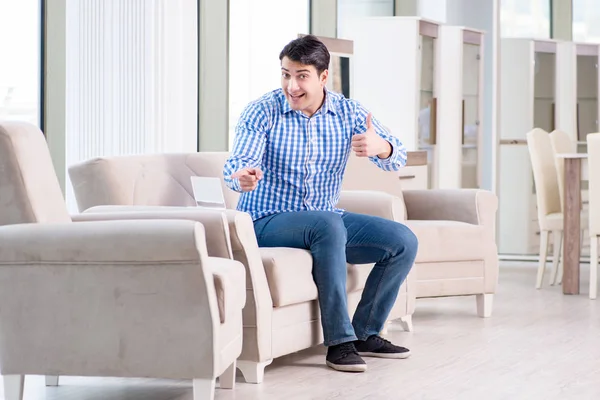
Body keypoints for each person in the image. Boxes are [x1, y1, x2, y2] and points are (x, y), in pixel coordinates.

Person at [223, 34, 418, 373]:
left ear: (323, 76)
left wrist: (381, 147)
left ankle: (365, 332)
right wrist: (242, 176)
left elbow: (397, 156)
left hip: (324, 221)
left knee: (403, 241)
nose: (291, 85)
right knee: (326, 223)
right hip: (266, 220)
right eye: (285, 74)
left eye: (301, 76)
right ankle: (339, 343)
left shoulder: (348, 112)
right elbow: (238, 162)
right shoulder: (263, 111)